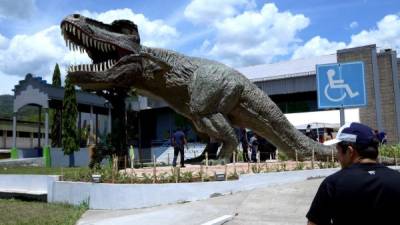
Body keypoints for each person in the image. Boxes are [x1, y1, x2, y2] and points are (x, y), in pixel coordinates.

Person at [307, 122, 400, 225]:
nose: (338, 157)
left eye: (338, 151)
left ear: (350, 152)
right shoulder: (397, 178)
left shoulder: (333, 184)